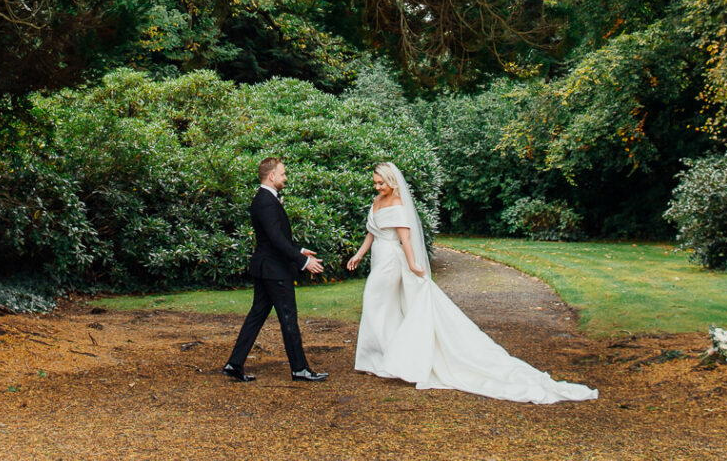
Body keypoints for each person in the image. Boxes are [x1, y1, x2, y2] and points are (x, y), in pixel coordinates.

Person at [347, 160, 596, 404]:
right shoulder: (377, 202)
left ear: (391, 182)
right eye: (376, 183)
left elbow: (406, 240)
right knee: (382, 308)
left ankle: (384, 359)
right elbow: (372, 232)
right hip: (378, 259)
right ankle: (380, 358)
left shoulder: (398, 204)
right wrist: (359, 255)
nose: (377, 187)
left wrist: (413, 265)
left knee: (376, 303)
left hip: (391, 262)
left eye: (381, 183)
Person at [223, 156, 329, 382]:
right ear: (272, 176)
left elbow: (276, 238)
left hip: (266, 268)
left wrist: (300, 251)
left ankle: (234, 363)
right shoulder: (264, 201)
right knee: (288, 318)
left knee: (257, 316)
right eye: (283, 174)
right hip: (274, 270)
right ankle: (299, 368)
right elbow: (276, 241)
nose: (285, 178)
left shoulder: (265, 199)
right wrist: (303, 262)